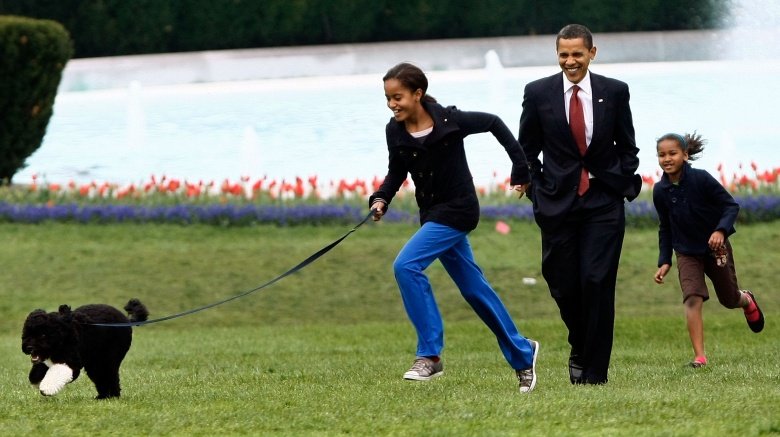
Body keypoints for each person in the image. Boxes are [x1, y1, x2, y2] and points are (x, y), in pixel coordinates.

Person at [369, 62, 539, 393]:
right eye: (388, 98)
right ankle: (523, 353)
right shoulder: (396, 131)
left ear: (418, 94)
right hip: (432, 213)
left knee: (406, 265)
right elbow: (396, 172)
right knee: (476, 290)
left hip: (459, 210)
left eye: (398, 97)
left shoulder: (450, 120)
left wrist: (522, 171)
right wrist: (381, 198)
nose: (392, 105)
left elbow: (494, 123)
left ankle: (430, 355)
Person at [518, 24, 641, 385]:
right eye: (564, 54)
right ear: (557, 54)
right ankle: (579, 344)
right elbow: (526, 149)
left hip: (604, 202)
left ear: (592, 52)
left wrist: (618, 179)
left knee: (597, 281)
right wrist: (538, 187)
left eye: (577, 54)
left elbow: (628, 146)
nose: (570, 61)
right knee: (563, 284)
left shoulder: (614, 92)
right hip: (557, 203)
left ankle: (594, 373)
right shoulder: (538, 92)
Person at [653, 132, 764, 368]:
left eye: (672, 153)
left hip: (716, 249)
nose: (667, 159)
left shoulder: (701, 179)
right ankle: (700, 357)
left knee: (729, 299)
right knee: (692, 298)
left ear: (685, 154)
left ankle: (746, 300)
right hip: (686, 252)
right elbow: (665, 227)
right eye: (661, 155)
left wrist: (720, 231)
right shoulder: (660, 191)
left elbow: (730, 205)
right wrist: (665, 260)